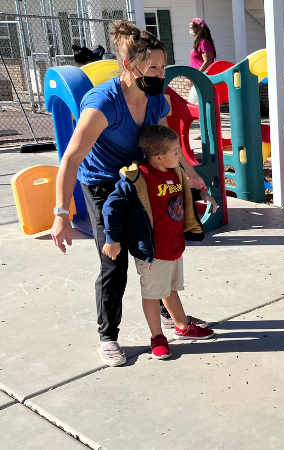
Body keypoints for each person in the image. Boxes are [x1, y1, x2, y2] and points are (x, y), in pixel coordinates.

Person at [51, 20, 207, 367]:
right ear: (128, 66)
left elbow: (168, 145)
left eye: (163, 66)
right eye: (152, 67)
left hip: (141, 180)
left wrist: (191, 177)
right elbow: (72, 159)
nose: (159, 73)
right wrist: (61, 214)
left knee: (160, 250)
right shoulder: (103, 103)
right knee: (115, 261)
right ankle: (108, 337)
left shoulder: (156, 100)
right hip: (105, 185)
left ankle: (170, 319)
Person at [101, 126, 217, 359]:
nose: (180, 156)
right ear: (158, 157)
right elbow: (111, 207)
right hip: (152, 251)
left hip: (173, 246)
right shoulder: (138, 177)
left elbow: (181, 192)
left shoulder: (175, 172)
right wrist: (112, 238)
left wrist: (201, 195)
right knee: (153, 294)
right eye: (176, 152)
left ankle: (182, 327)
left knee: (169, 288)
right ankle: (157, 337)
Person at [187, 18, 217, 105]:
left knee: (192, 105)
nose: (190, 30)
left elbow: (207, 61)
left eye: (192, 27)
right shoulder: (201, 42)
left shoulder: (203, 42)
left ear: (199, 28)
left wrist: (196, 76)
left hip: (201, 77)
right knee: (198, 105)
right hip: (201, 77)